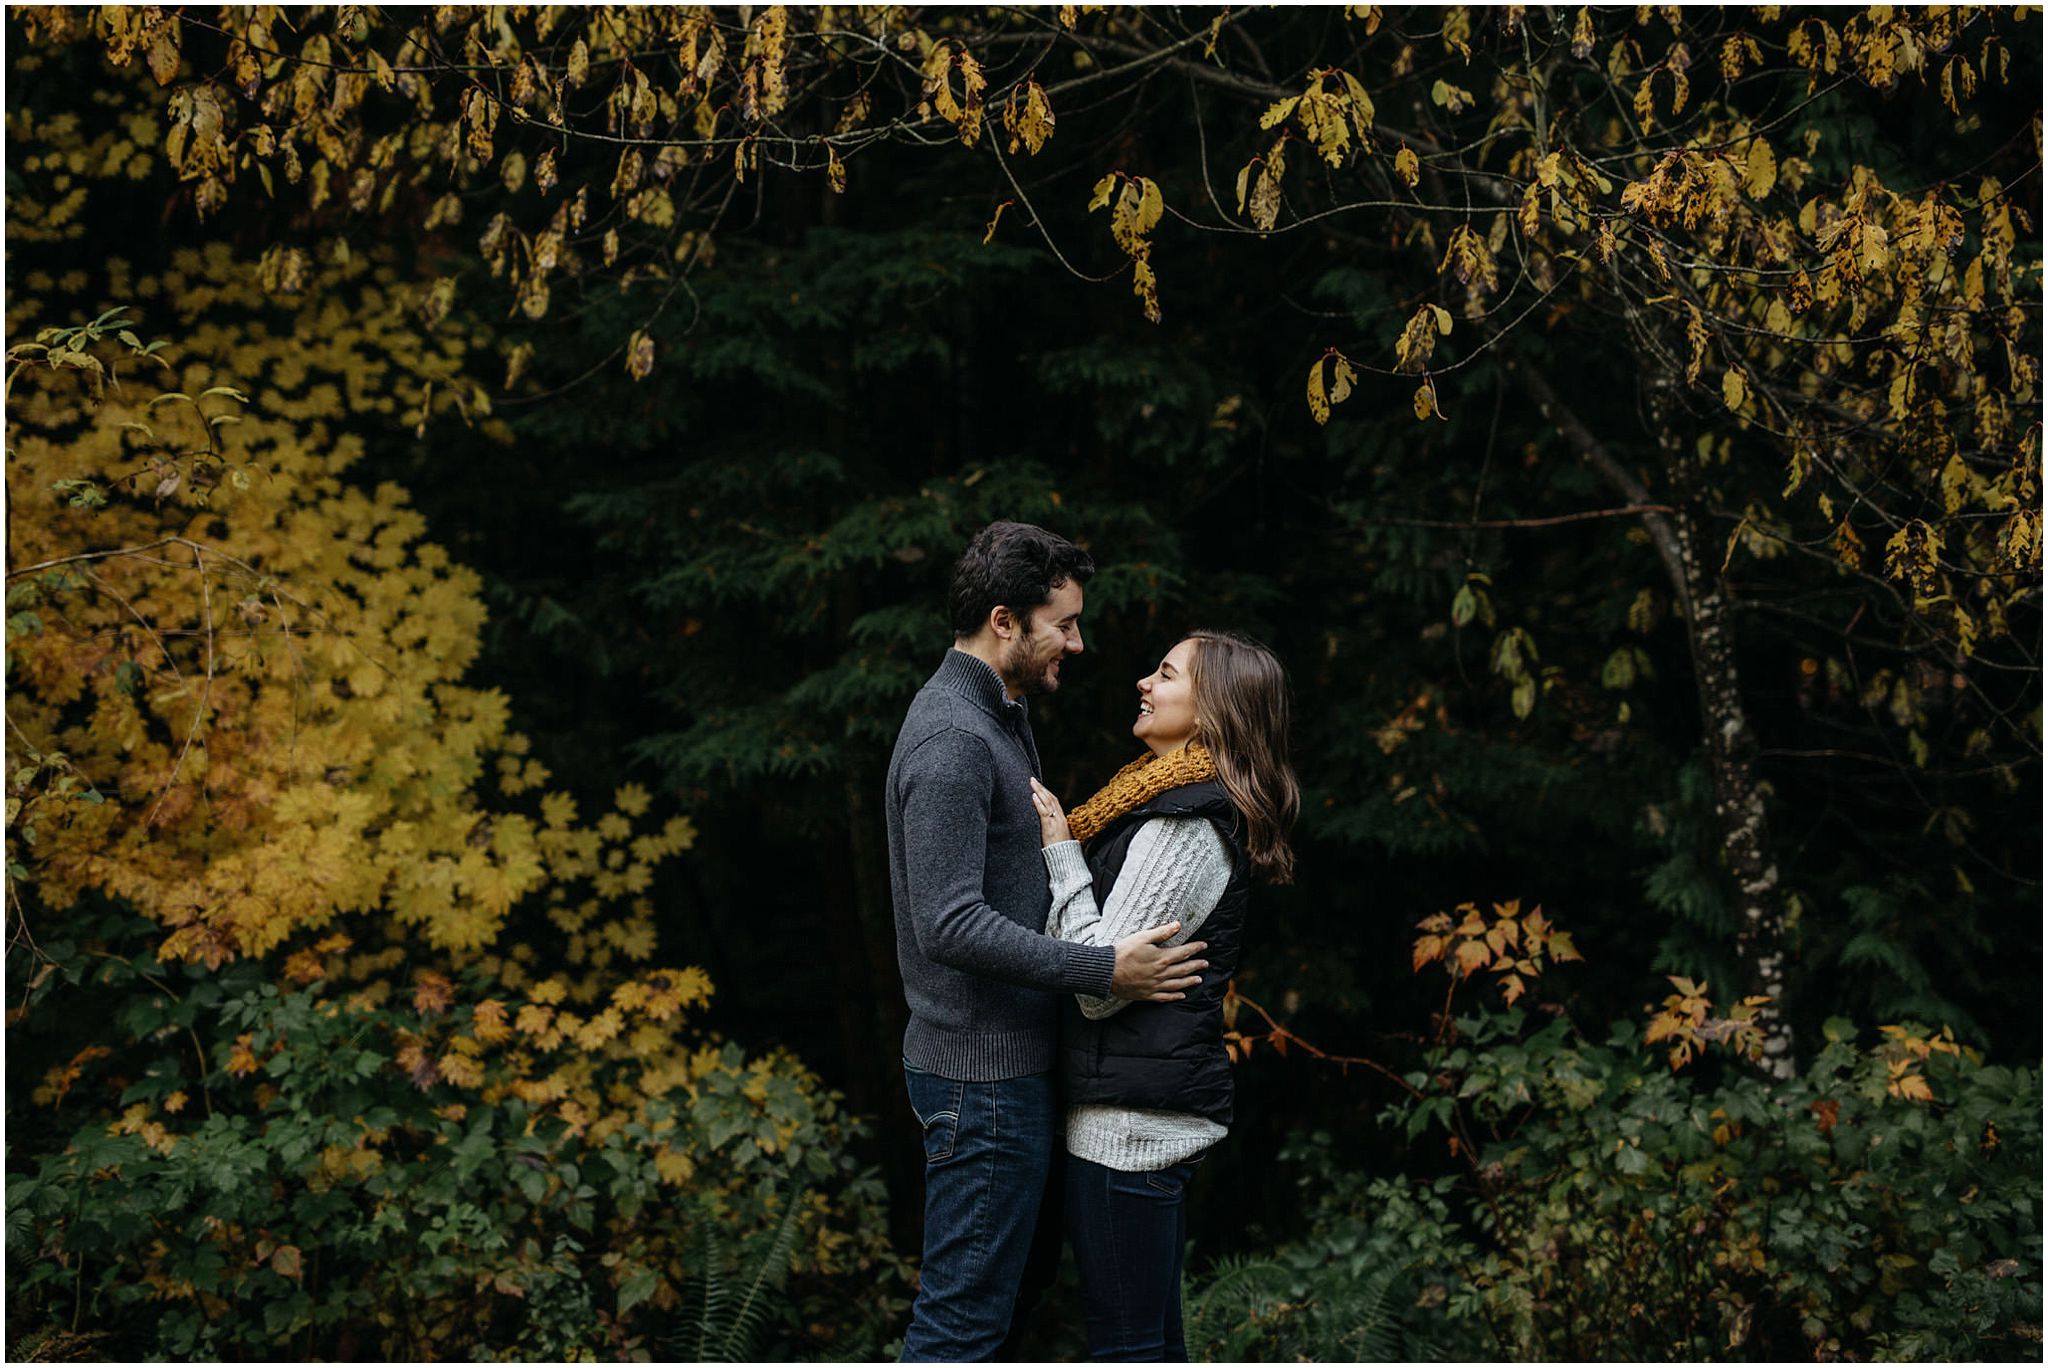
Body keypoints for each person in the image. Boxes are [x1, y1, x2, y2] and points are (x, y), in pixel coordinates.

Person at [885, 521, 1212, 1362]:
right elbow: (947, 922)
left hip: (1009, 1072)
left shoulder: (1001, 714)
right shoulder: (954, 738)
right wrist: (1102, 966)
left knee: (1001, 1315)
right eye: (1062, 623)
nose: (1079, 640)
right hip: (979, 1082)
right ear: (1005, 621)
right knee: (960, 1327)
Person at [1027, 629, 1299, 1363]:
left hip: (1129, 1132)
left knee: (1129, 1351)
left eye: (1167, 674)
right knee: (1147, 1347)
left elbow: (1094, 985)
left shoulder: (1181, 825)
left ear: (1213, 712)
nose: (1144, 683)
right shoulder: (1161, 805)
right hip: (1133, 1116)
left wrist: (1060, 855)